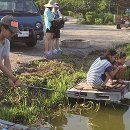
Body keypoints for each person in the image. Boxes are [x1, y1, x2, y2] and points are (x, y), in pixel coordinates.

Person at [0, 15, 22, 87]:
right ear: (3, 28)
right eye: (11, 32)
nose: (13, 34)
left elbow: (7, 61)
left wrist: (10, 78)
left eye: (14, 32)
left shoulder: (7, 43)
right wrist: (15, 79)